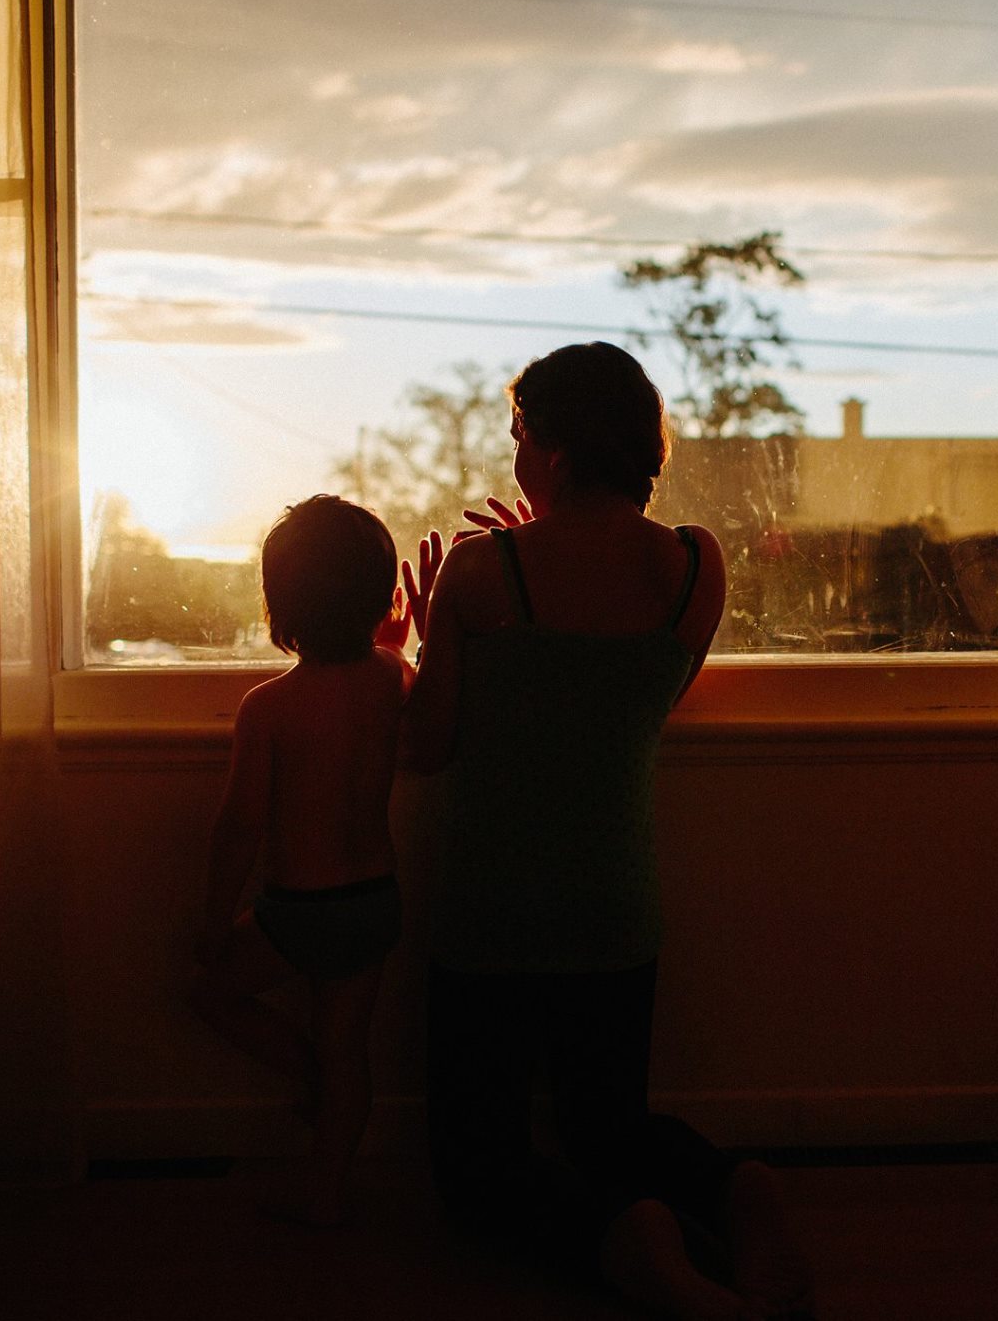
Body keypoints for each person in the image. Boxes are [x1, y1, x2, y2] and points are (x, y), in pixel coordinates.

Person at [401, 342, 813, 1319]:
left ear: (544, 452)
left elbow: (428, 747)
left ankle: (632, 1252)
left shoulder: (476, 574)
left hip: (490, 916)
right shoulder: (693, 565)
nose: (514, 462)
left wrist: (417, 638)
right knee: (607, 1128)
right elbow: (611, 700)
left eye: (516, 440)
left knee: (478, 1167)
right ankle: (729, 1187)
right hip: (614, 910)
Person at [190, 494, 412, 1226]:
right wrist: (400, 645)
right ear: (378, 596)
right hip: (374, 900)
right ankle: (327, 1187)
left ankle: (307, 1073)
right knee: (349, 1046)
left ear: (280, 604)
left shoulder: (269, 707)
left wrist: (214, 918)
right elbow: (401, 702)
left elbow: (238, 826)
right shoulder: (391, 679)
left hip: (301, 910)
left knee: (212, 992)